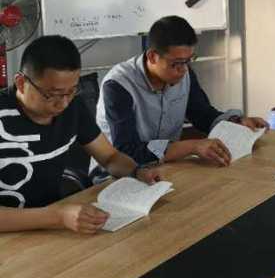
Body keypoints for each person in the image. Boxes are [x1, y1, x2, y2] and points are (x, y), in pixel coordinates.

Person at [0, 36, 162, 234]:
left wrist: (137, 171)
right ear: (21, 83)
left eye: (71, 92)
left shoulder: (73, 108)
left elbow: (109, 157)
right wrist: (57, 217)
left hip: (50, 228)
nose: (63, 104)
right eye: (53, 94)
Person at [96, 16, 267, 169]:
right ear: (153, 57)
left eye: (188, 60)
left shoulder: (183, 73)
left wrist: (236, 122)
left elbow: (202, 114)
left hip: (165, 166)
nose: (184, 69)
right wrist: (192, 146)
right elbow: (127, 150)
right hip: (118, 174)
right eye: (177, 63)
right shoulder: (119, 86)